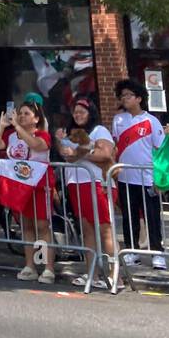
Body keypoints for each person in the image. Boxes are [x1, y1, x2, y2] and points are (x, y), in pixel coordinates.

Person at [0, 100, 56, 283]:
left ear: (36, 118)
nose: (21, 116)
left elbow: (37, 145)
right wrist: (2, 126)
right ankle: (30, 265)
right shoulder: (12, 135)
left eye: (26, 113)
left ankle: (47, 267)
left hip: (40, 185)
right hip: (20, 186)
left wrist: (18, 128)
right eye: (20, 113)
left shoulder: (42, 134)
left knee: (42, 226)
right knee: (26, 226)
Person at [57, 96, 117, 289]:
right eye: (75, 111)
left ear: (91, 112)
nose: (78, 114)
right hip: (76, 183)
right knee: (87, 230)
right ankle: (92, 273)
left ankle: (115, 275)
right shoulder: (72, 133)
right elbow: (69, 157)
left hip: (97, 182)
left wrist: (79, 152)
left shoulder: (100, 130)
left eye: (82, 111)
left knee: (105, 229)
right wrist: (62, 144)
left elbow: (105, 154)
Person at [110, 78, 167, 271]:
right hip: (126, 177)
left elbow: (160, 151)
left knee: (152, 217)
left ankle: (158, 252)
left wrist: (160, 178)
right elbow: (115, 145)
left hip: (148, 178)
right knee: (129, 216)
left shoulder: (151, 121)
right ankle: (131, 250)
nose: (124, 98)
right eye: (122, 95)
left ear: (139, 98)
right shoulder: (118, 120)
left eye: (129, 95)